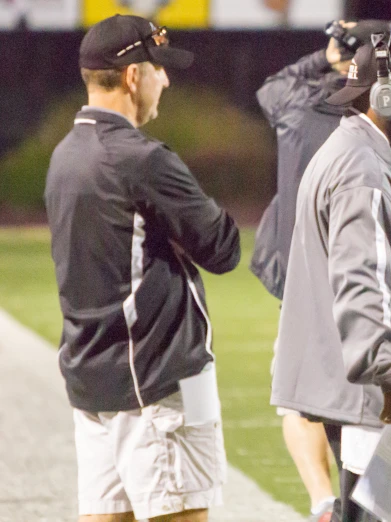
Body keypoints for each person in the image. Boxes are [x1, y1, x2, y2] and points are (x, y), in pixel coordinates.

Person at [250, 20, 391, 522]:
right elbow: (360, 283)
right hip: (378, 399)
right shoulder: (360, 169)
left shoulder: (369, 154)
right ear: (384, 98)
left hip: (377, 392)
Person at [44, 14, 241, 522]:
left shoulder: (64, 155)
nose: (167, 80)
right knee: (184, 510)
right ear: (133, 76)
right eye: (160, 69)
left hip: (95, 381)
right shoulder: (140, 158)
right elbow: (223, 250)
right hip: (160, 383)